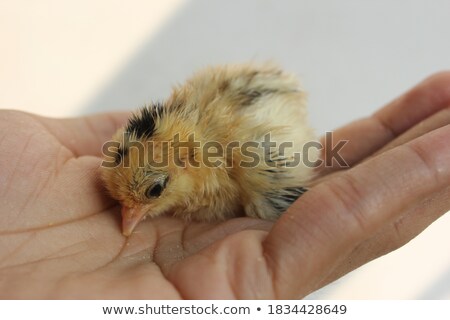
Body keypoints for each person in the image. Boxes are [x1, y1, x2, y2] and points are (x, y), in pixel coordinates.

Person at [0, 72, 449, 299]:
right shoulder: (168, 154)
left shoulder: (250, 167)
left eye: (151, 192)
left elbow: (280, 189)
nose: (132, 212)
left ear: (189, 161)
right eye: (128, 201)